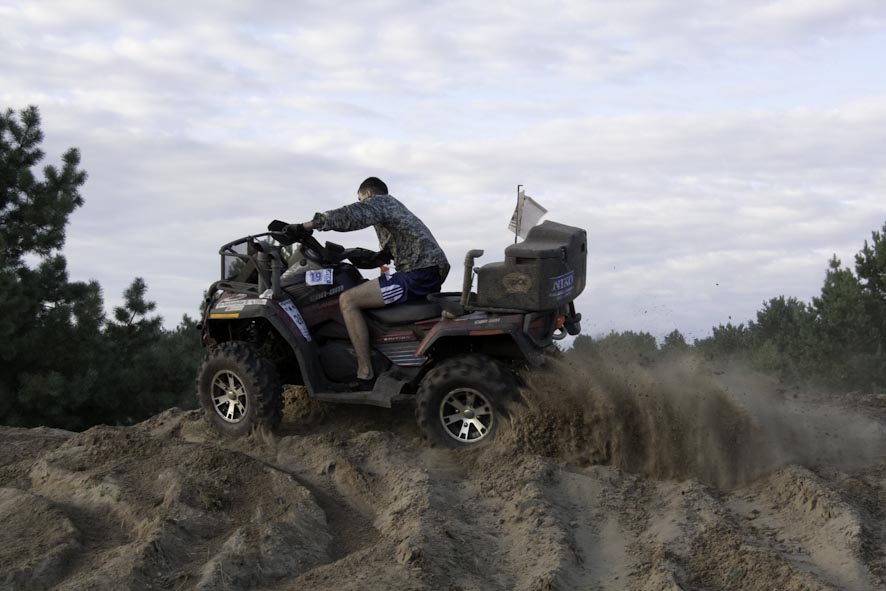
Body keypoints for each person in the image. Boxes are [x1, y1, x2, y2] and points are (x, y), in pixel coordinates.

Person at [300, 177, 449, 388]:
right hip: (424, 271)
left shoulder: (381, 202)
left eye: (361, 200)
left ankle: (365, 372)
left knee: (348, 300)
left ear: (368, 194)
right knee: (365, 292)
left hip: (418, 274)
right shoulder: (395, 209)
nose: (362, 204)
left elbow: (350, 215)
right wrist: (363, 256)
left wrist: (307, 225)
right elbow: (391, 251)